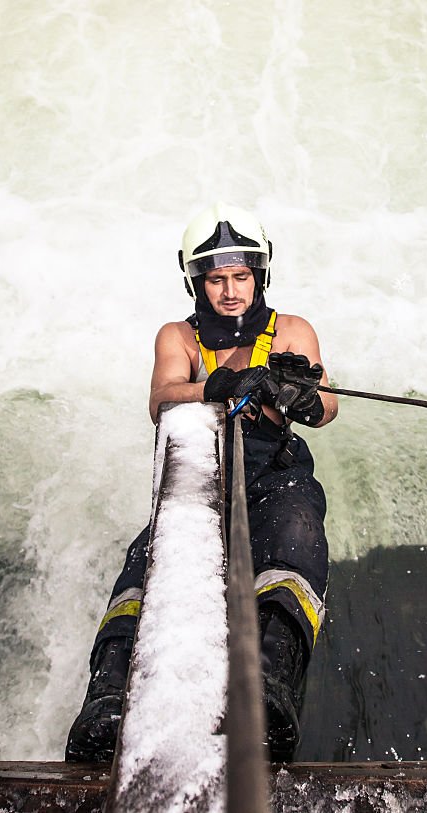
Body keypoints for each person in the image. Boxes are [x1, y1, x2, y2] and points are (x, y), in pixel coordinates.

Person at [65, 202, 337, 763]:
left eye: (241, 277)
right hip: (196, 478)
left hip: (276, 473)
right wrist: (218, 385)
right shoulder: (180, 337)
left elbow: (328, 404)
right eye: (217, 279)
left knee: (299, 533)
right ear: (197, 282)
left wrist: (302, 396)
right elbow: (161, 397)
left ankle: (271, 687)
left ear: (260, 275)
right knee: (145, 561)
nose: (231, 291)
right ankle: (107, 697)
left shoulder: (292, 330)